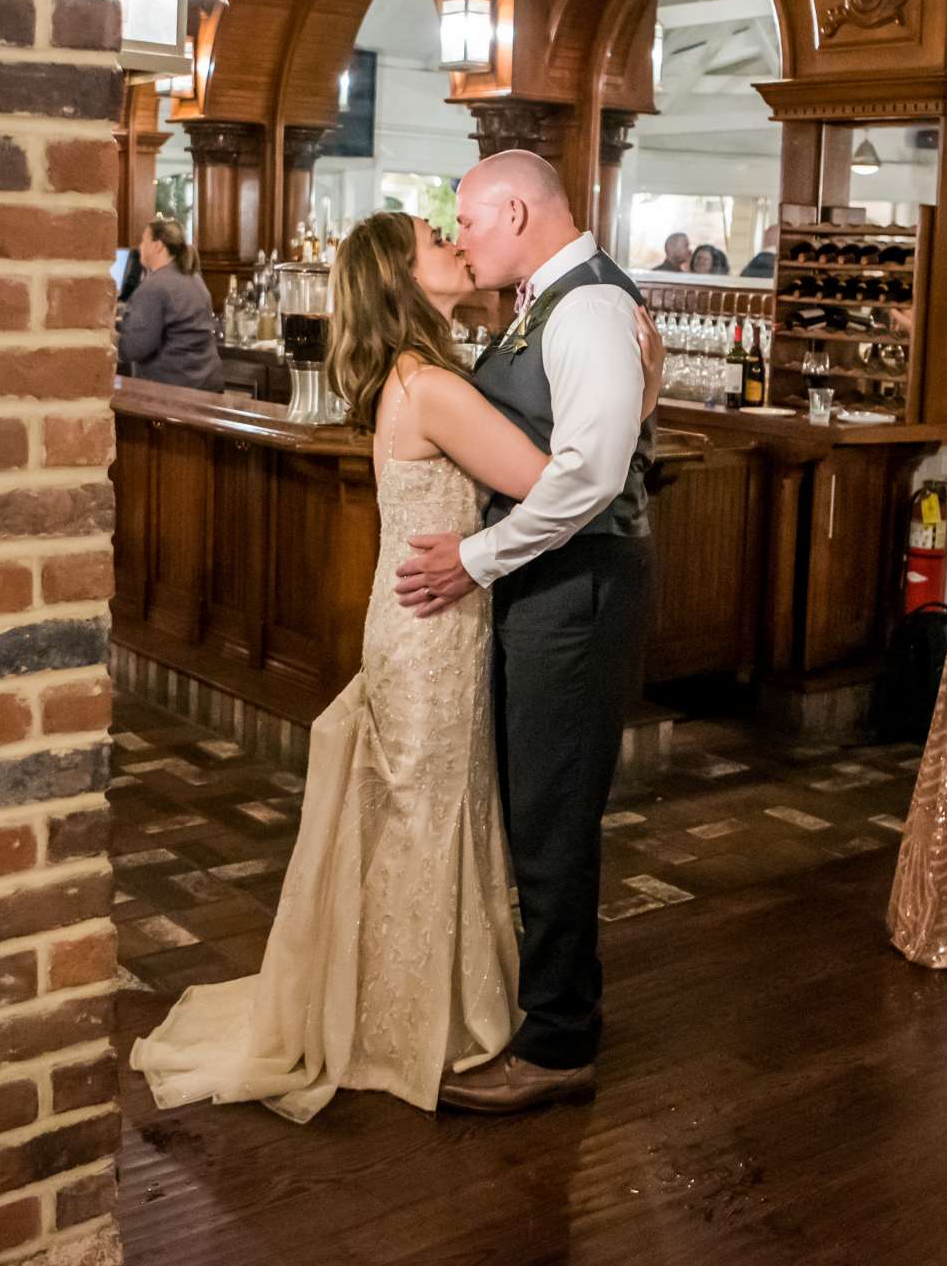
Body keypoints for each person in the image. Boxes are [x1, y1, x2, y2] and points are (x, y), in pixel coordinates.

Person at [131, 204, 662, 1122]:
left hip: (422, 618)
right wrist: (639, 401)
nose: (455, 244)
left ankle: (410, 998)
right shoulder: (434, 387)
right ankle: (416, 1015)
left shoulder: (422, 376)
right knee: (430, 812)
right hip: (436, 625)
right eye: (435, 241)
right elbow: (563, 480)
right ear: (404, 282)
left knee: (421, 810)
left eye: (456, 227)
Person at [395, 149, 658, 1113]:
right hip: (550, 586)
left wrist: (473, 561)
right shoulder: (548, 303)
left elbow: (588, 479)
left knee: (552, 817)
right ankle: (543, 1006)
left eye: (466, 220)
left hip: (579, 590)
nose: (460, 238)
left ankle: (558, 1045)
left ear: (513, 212)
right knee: (532, 805)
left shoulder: (585, 306)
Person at [115, 218, 222, 390]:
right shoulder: (193, 277)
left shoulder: (154, 287)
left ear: (157, 246)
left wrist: (108, 337)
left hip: (174, 391)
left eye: (144, 240)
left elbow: (133, 348)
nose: (140, 246)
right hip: (206, 383)